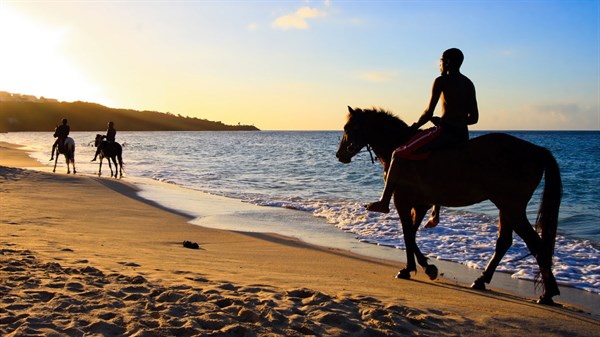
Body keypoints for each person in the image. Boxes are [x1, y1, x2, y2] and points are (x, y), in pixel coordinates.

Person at [366, 48, 479, 215]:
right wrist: (456, 121)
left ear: (446, 62)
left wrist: (415, 126)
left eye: (440, 60)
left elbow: (428, 112)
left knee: (398, 154)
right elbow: (474, 118)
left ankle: (384, 201)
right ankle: (435, 209)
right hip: (462, 134)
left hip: (445, 132)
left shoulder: (441, 81)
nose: (439, 64)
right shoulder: (468, 84)